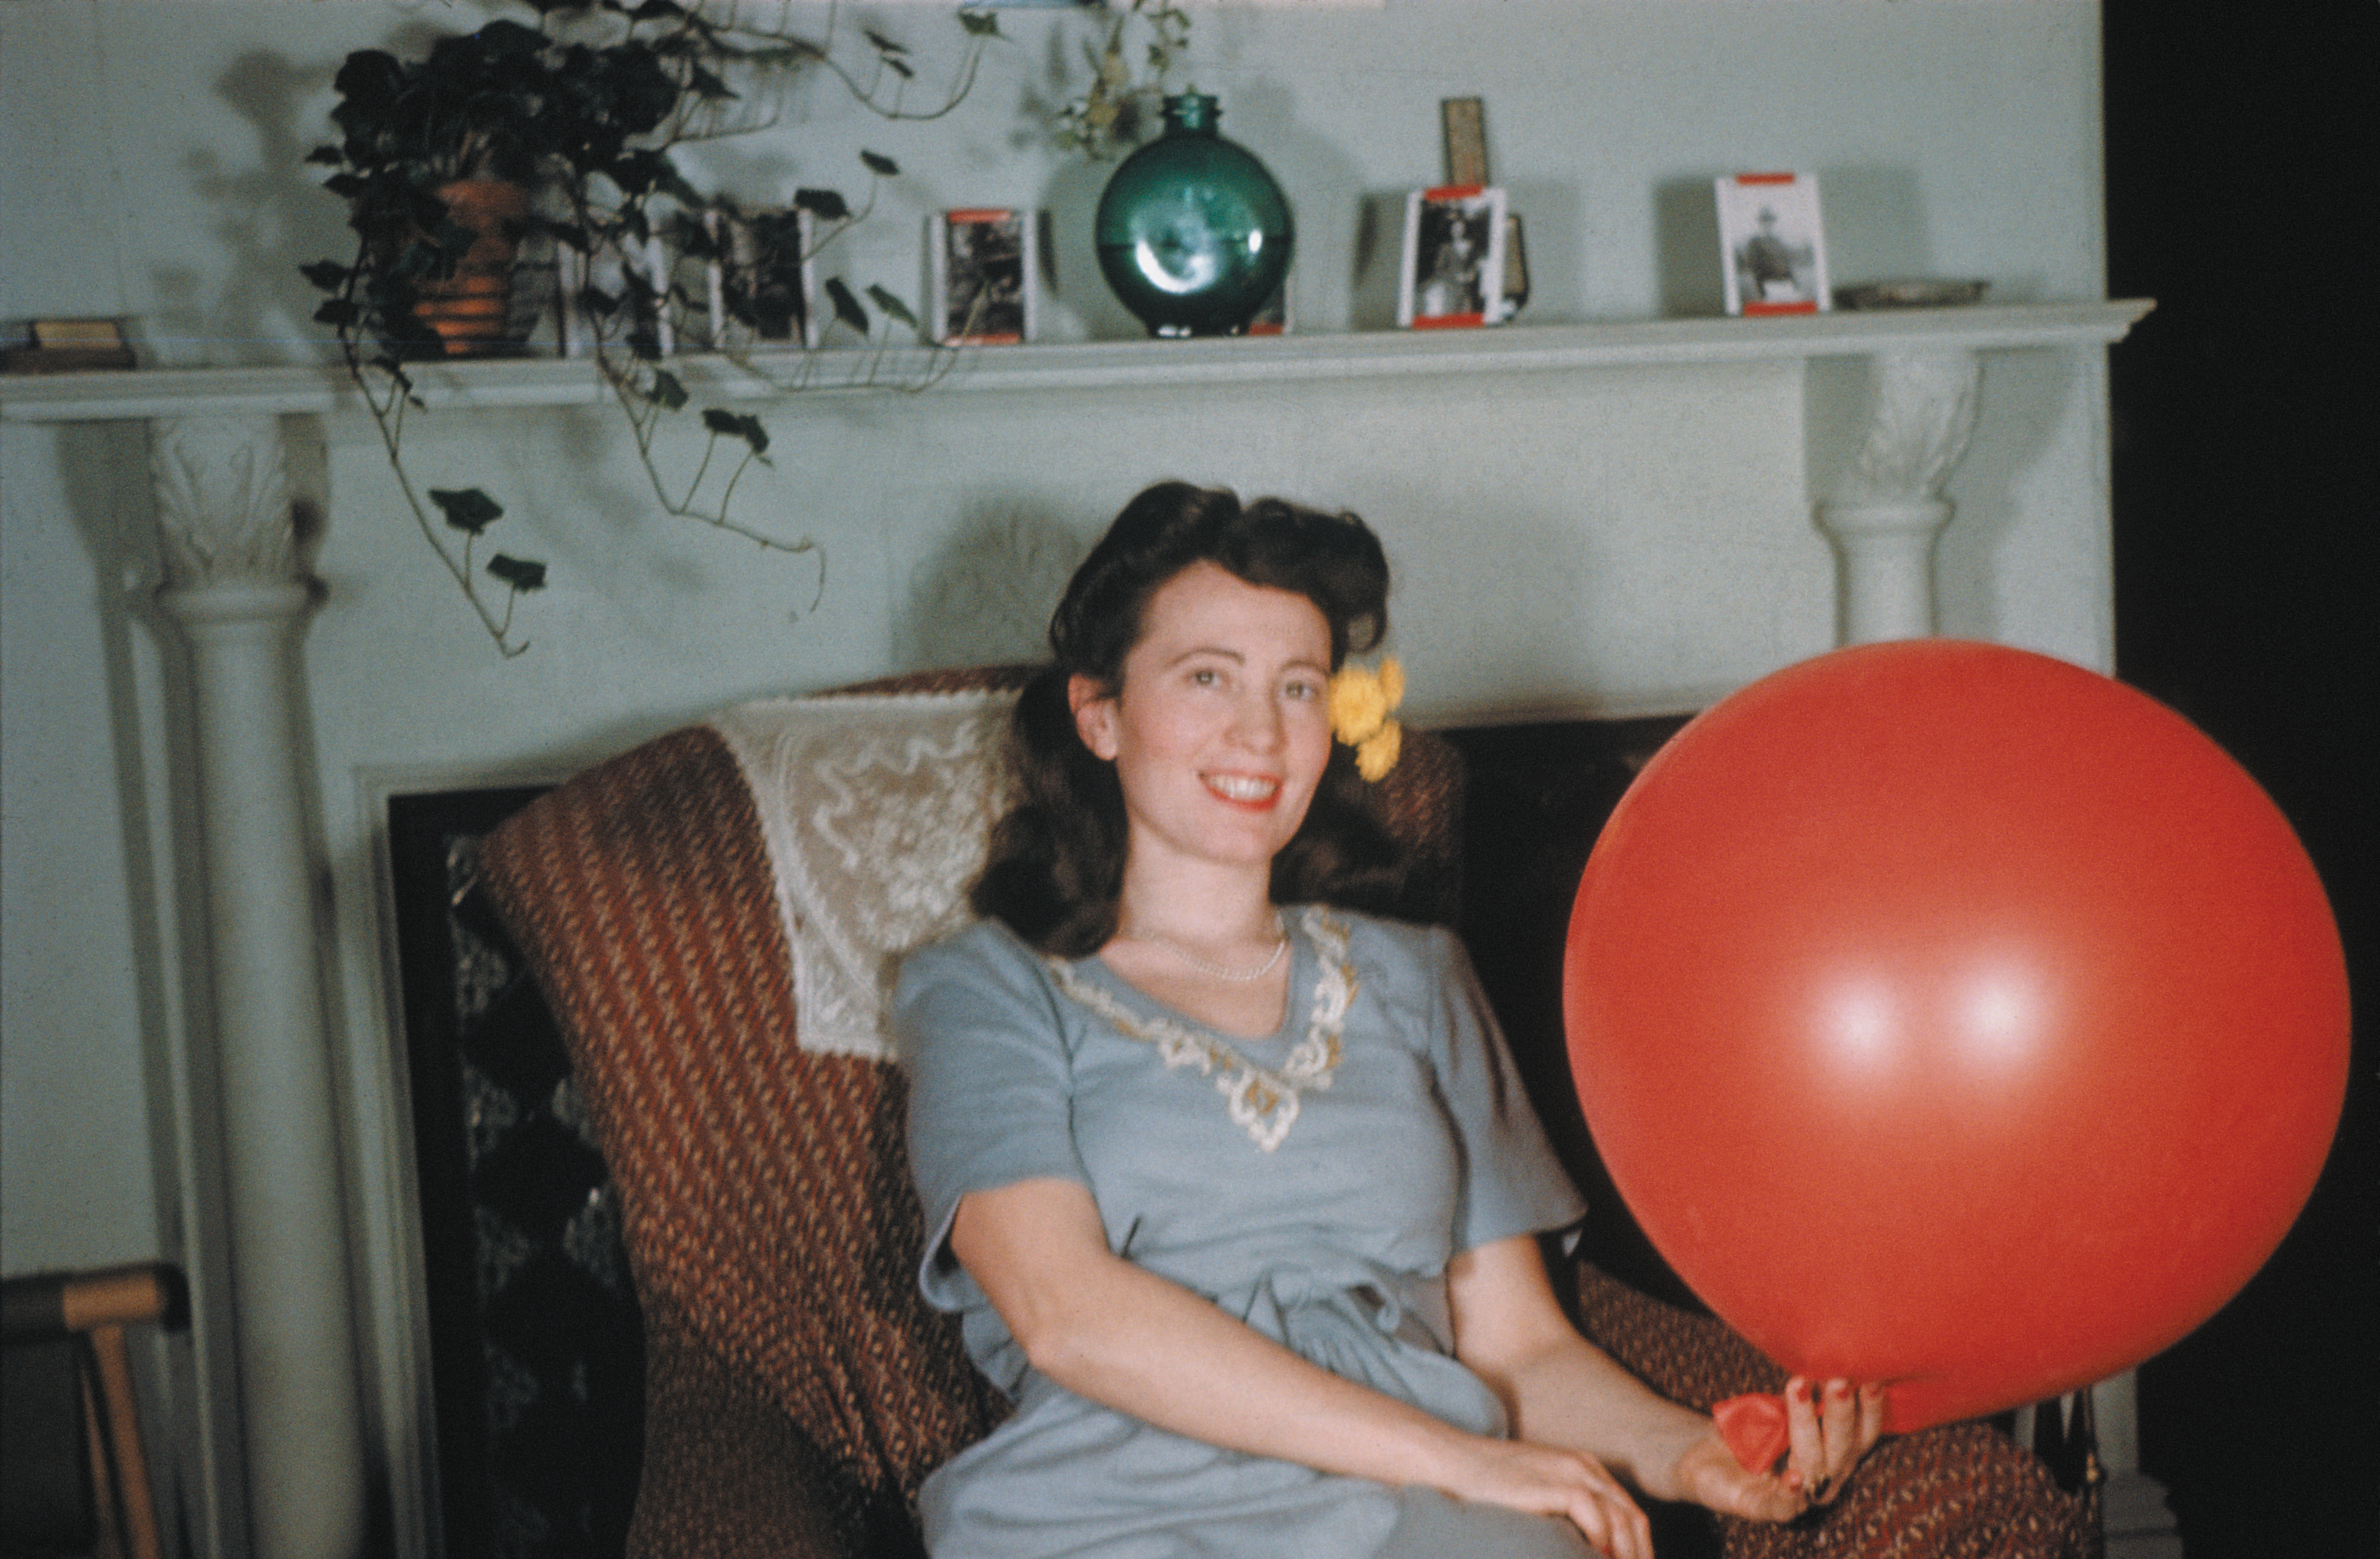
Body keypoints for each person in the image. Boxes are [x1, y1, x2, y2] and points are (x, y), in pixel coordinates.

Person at [899, 482, 1884, 1559]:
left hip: (1435, 1514)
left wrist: (1694, 1454)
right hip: (1116, 1499)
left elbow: (1518, 1350)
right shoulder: (985, 987)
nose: (1260, 732)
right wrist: (1459, 1455)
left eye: (1299, 686)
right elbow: (1065, 1311)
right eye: (1206, 678)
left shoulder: (1417, 974)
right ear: (1099, 713)